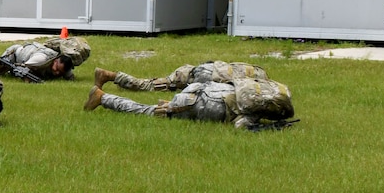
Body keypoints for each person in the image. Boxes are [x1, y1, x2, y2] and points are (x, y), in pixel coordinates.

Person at [85, 74, 297, 129]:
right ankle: (103, 98)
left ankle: (104, 96)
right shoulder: (251, 109)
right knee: (145, 111)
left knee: (160, 107)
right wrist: (267, 128)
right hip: (192, 104)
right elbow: (241, 126)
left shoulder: (246, 93)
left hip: (197, 92)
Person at [93, 60, 266, 91]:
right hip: (188, 76)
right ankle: (109, 75)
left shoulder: (253, 69)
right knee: (146, 86)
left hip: (194, 70)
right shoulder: (249, 83)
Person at [0, 35, 89, 82]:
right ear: (56, 60)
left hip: (25, 61)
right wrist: (26, 78)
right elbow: (23, 68)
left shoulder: (64, 66)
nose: (57, 72)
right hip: (14, 55)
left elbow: (70, 78)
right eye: (56, 68)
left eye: (60, 72)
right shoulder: (41, 59)